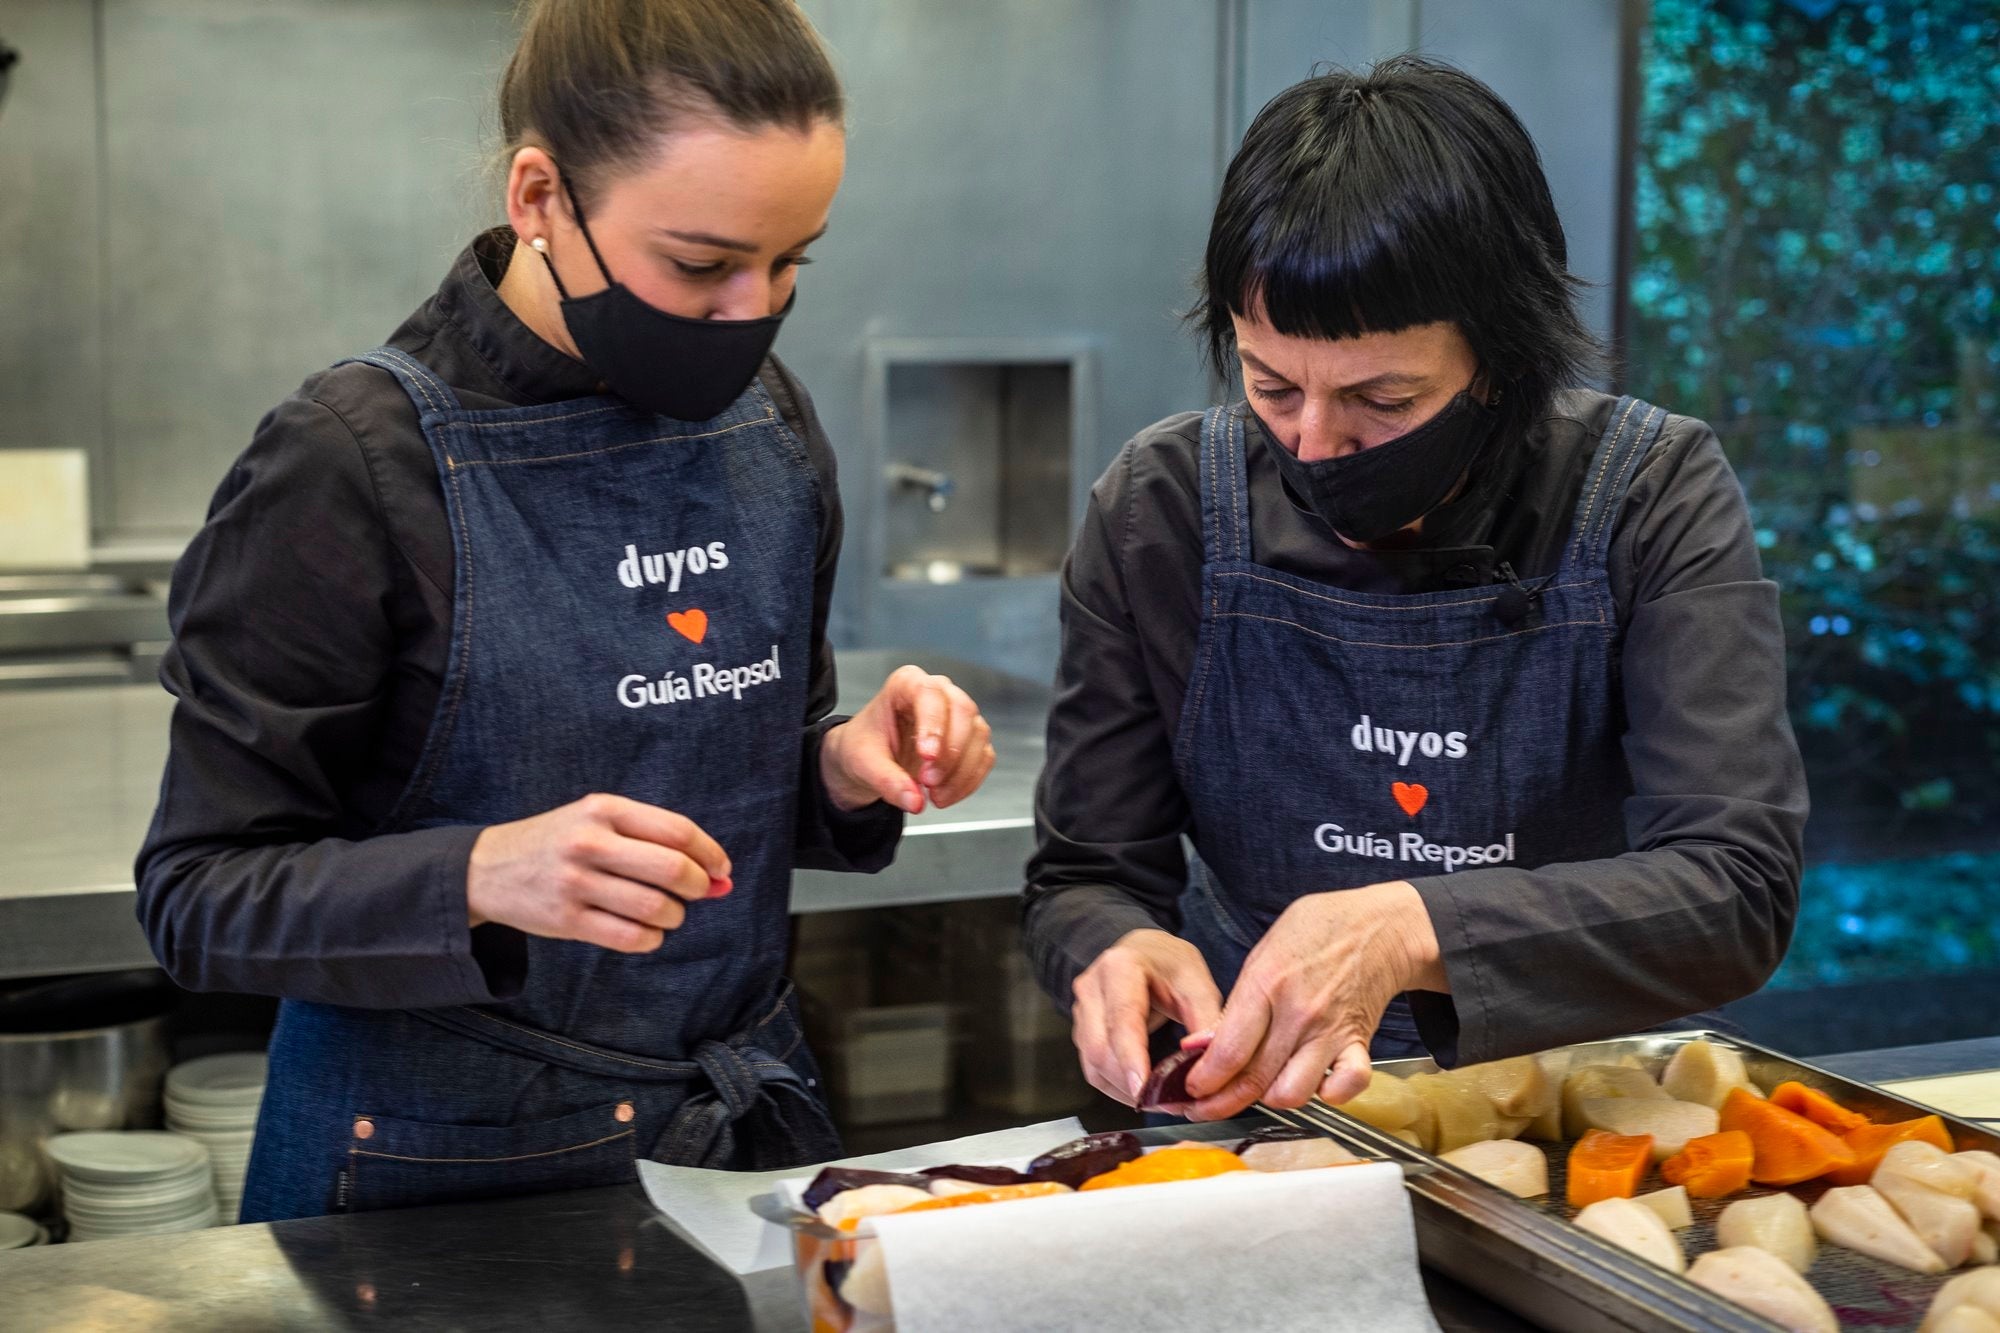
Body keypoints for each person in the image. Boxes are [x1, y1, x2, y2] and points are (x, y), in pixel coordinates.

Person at [136, 0, 995, 1222]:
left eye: (792, 261)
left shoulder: (771, 427)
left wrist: (845, 766)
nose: (750, 311)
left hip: (727, 1149)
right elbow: (197, 895)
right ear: (540, 197)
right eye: (700, 264)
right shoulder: (354, 463)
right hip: (433, 1178)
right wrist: (480, 872)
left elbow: (728, 785)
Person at [1025, 56, 1807, 1123]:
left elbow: (1735, 890)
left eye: (1382, 399)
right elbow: (1084, 870)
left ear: (1499, 357)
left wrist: (1406, 928)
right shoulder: (1158, 510)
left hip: (1559, 1118)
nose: (1313, 440)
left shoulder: (1644, 494)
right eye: (1268, 385)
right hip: (1256, 1115)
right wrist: (1110, 945)